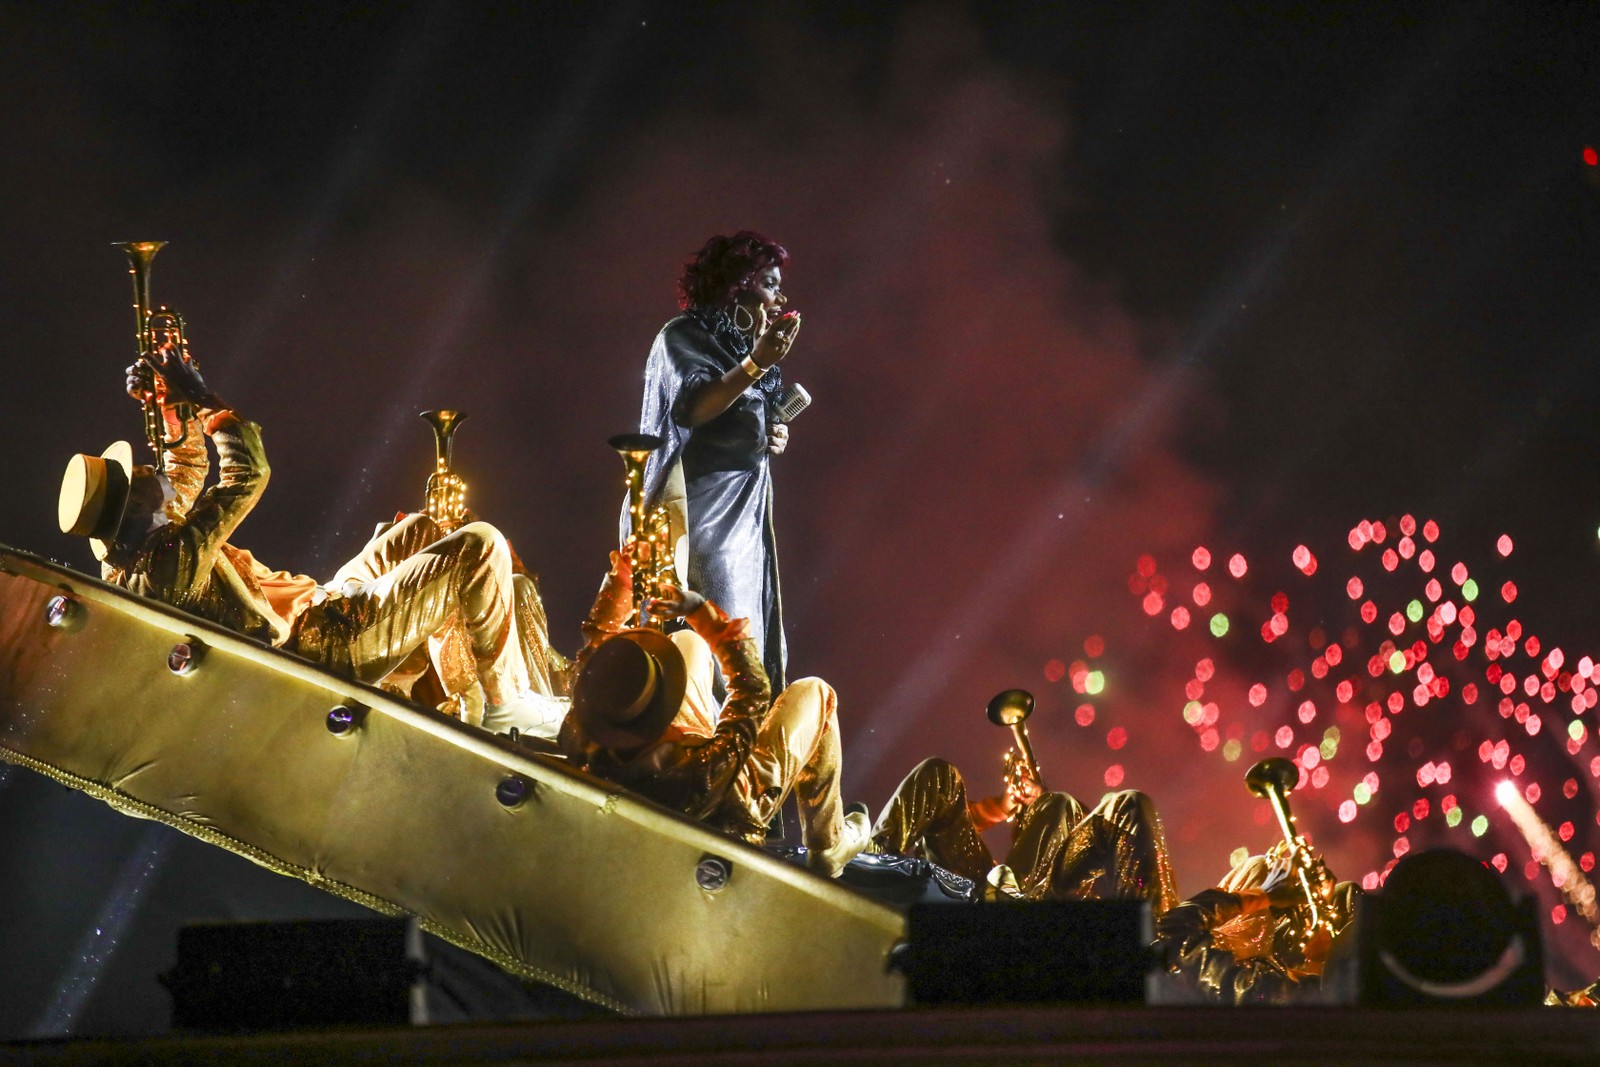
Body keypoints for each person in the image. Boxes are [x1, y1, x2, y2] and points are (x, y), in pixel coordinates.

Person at [57, 347, 561, 734]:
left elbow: (185, 470)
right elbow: (247, 474)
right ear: (138, 507)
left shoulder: (144, 545)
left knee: (428, 528)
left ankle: (469, 689)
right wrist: (207, 405)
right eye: (143, 475)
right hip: (327, 645)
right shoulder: (165, 564)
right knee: (479, 544)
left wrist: (170, 406)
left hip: (323, 606)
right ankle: (502, 703)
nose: (154, 471)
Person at [556, 544, 869, 877]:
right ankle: (830, 845)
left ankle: (701, 701)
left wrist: (623, 576)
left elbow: (596, 642)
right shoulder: (704, 770)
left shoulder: (583, 729)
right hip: (730, 796)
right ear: (659, 711)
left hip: (659, 766)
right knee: (815, 692)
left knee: (686, 643)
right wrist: (701, 611)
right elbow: (752, 690)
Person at [629, 231, 801, 692]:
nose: (779, 297)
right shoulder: (683, 335)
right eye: (768, 282)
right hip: (704, 520)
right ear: (735, 285)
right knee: (713, 647)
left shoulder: (738, 351)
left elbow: (735, 418)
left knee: (748, 649)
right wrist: (754, 367)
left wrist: (769, 433)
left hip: (747, 521)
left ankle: (736, 748)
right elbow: (693, 405)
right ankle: (692, 743)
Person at [869, 756, 1179, 912]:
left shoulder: (1073, 821)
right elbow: (959, 817)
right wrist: (1004, 806)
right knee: (938, 773)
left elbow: (1104, 841)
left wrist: (1044, 801)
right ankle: (871, 862)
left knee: (1061, 802)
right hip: (985, 887)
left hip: (1044, 903)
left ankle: (1013, 900)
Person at [1150, 849, 1361, 1005]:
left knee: (1132, 804)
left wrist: (1265, 894)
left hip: (1162, 970)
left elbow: (1173, 929)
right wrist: (1316, 958)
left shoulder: (1265, 992)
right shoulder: (1313, 994)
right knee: (1345, 895)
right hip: (1294, 975)